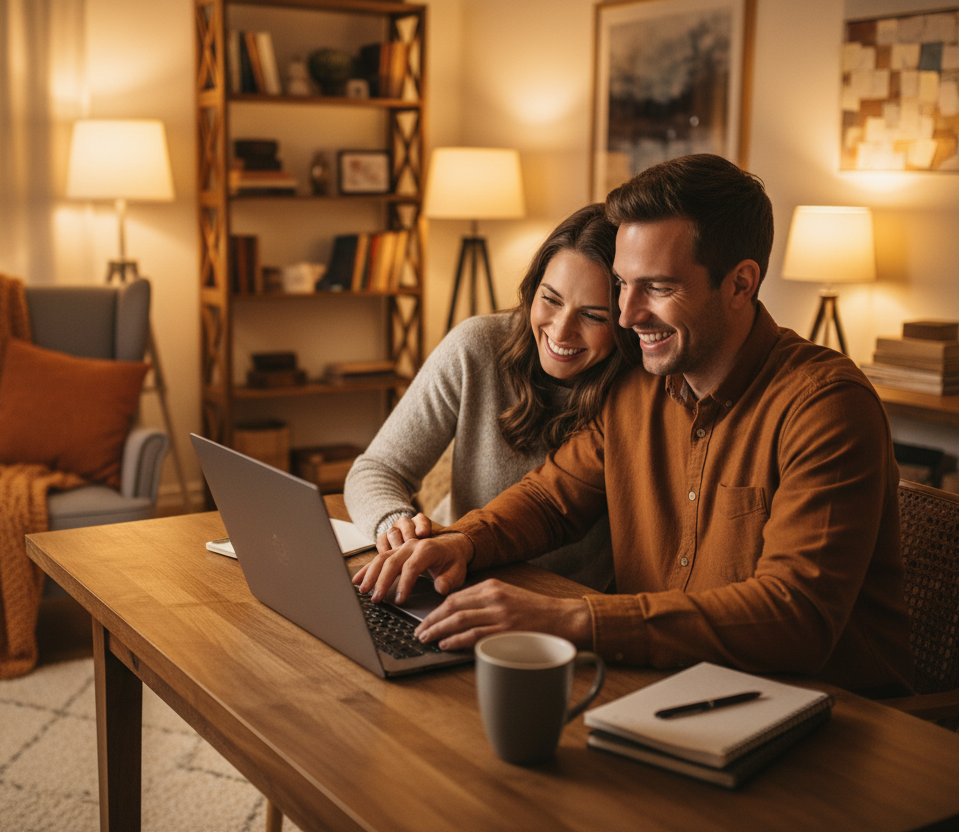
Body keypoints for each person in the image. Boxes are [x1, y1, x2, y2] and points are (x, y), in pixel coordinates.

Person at [354, 154, 914, 695]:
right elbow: (551, 502)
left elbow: (796, 617)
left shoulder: (825, 407)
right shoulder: (639, 386)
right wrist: (462, 543)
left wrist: (574, 620)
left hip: (820, 712)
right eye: (622, 285)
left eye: (659, 288)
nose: (626, 315)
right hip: (672, 686)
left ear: (741, 284)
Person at [344, 204, 637, 591]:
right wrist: (397, 527)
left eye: (594, 316)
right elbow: (375, 469)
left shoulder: (639, 391)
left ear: (626, 320)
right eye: (550, 299)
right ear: (533, 288)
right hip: (456, 579)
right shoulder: (477, 347)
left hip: (564, 601)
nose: (561, 331)